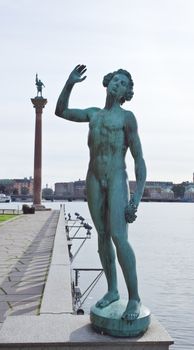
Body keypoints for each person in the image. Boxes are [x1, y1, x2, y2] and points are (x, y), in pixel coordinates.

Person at [55, 64, 146, 321]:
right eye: (115, 80)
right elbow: (61, 111)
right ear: (107, 84)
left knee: (119, 236)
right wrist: (70, 83)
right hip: (93, 178)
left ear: (125, 94)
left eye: (123, 84)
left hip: (117, 177)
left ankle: (135, 298)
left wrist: (136, 199)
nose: (117, 84)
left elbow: (139, 160)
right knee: (102, 235)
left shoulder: (127, 118)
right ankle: (113, 291)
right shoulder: (93, 115)